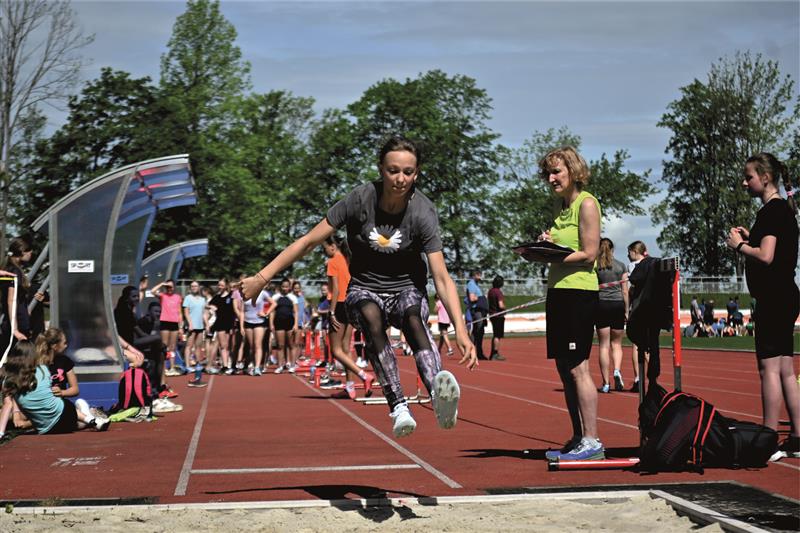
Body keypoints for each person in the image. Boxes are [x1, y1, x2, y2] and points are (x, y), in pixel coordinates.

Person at [242, 135, 476, 438]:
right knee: (371, 317)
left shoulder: (422, 211)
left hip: (407, 288)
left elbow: (441, 275)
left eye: (408, 172)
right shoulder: (358, 200)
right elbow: (309, 241)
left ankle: (438, 392)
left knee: (413, 318)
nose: (400, 179)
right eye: (393, 170)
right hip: (364, 288)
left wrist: (460, 327)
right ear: (381, 169)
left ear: (416, 174)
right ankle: (398, 405)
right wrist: (262, 277)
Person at [724, 152, 799, 461]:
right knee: (784, 369)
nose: (745, 182)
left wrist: (739, 245)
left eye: (749, 177)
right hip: (785, 294)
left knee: (768, 368)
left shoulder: (772, 211)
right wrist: (749, 236)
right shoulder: (782, 211)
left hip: (774, 297)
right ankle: (796, 437)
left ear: (765, 178)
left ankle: (767, 439)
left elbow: (766, 255)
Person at [536, 146, 603, 462]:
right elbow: (567, 249)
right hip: (559, 291)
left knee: (578, 367)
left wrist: (554, 253)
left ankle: (592, 440)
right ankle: (578, 437)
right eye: (548, 173)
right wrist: (546, 247)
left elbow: (590, 253)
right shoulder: (561, 208)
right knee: (564, 368)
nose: (551, 178)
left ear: (573, 171)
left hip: (579, 293)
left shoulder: (586, 204)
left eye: (556, 171)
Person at [0, 341, 109, 438]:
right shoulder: (43, 370)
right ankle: (88, 417)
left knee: (70, 423)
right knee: (68, 415)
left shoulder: (9, 380)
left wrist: (1, 432)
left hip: (45, 428)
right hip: (65, 412)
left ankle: (89, 417)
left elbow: (7, 405)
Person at [323, 236, 375, 399]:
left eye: (324, 247)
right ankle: (350, 387)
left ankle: (364, 375)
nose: (324, 251)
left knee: (336, 350)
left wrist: (331, 312)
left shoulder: (333, 262)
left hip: (338, 305)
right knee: (346, 348)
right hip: (350, 304)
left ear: (332, 246)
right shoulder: (348, 260)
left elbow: (336, 289)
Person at [595, 238, 628, 393]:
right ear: (613, 249)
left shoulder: (595, 266)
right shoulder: (621, 266)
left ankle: (606, 383)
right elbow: (625, 290)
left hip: (601, 305)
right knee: (616, 344)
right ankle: (617, 370)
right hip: (617, 305)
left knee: (603, 345)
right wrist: (627, 309)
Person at [0, 238, 34, 349]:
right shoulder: (14, 272)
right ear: (22, 251)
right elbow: (11, 300)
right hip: (16, 325)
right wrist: (15, 330)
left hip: (16, 322)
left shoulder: (10, 270)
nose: (31, 253)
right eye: (28, 250)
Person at [625, 241, 647, 392]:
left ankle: (638, 377)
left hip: (637, 308)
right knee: (650, 344)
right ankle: (652, 376)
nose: (627, 255)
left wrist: (626, 309)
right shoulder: (651, 264)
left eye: (629, 252)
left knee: (636, 344)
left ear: (634, 251)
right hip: (650, 306)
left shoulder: (631, 267)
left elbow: (628, 290)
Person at [150, 279, 184, 376]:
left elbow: (179, 312)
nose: (169, 289)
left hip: (174, 323)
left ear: (174, 287)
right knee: (164, 346)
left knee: (172, 347)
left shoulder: (178, 297)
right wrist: (162, 283)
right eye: (167, 287)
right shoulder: (163, 296)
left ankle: (172, 367)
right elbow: (152, 291)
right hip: (165, 322)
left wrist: (181, 326)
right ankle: (163, 367)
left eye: (171, 287)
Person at [182, 281, 208, 374]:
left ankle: (198, 363)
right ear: (190, 288)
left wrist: (207, 324)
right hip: (192, 326)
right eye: (192, 286)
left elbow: (204, 313)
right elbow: (186, 312)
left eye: (196, 286)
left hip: (200, 326)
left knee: (198, 346)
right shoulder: (188, 298)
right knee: (189, 346)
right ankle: (188, 365)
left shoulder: (202, 299)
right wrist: (190, 324)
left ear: (199, 287)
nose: (194, 287)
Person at [466, 271, 488, 360]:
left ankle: (476, 352)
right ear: (475, 275)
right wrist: (483, 298)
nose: (480, 277)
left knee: (478, 332)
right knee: (477, 332)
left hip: (480, 310)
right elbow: (472, 298)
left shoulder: (475, 284)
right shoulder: (471, 284)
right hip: (476, 310)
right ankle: (474, 352)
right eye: (479, 275)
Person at [487, 276, 507, 361]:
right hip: (498, 316)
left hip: (492, 315)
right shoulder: (498, 292)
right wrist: (505, 308)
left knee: (495, 334)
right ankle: (495, 353)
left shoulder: (490, 291)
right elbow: (500, 305)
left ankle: (493, 353)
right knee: (497, 335)